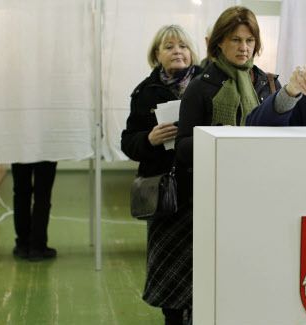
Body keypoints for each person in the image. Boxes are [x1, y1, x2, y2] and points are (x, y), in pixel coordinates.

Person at [174, 6, 281, 321]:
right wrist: (221, 137)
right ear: (219, 42)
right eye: (235, 39)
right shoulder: (200, 86)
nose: (244, 47)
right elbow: (182, 147)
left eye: (249, 40)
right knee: (214, 279)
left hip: (259, 194)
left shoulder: (268, 84)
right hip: (212, 197)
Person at [120, 24, 202, 325]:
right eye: (168, 47)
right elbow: (128, 142)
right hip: (167, 197)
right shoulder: (144, 92)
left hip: (205, 189)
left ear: (192, 51)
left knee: (205, 270)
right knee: (171, 279)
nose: (177, 51)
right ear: (157, 55)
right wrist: (149, 139)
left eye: (182, 45)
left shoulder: (208, 85)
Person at [11, 161, 58, 261]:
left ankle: (23, 244)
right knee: (43, 194)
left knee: (21, 192)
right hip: (45, 149)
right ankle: (38, 246)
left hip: (19, 148)